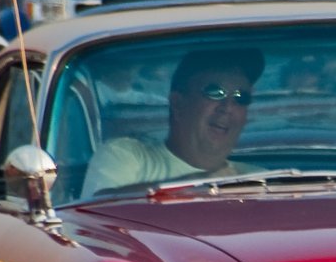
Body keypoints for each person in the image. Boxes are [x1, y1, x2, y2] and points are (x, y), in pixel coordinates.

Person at [83, 49, 263, 194]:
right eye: (215, 92)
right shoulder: (125, 157)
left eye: (241, 97)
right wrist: (197, 185)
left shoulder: (258, 182)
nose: (227, 107)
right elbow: (96, 211)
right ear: (178, 104)